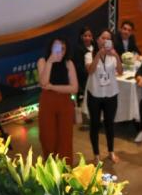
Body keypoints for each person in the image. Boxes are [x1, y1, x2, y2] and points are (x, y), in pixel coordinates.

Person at [37, 38, 78, 163]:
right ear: (50, 48)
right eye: (57, 48)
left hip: (65, 103)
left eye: (63, 48)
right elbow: (43, 82)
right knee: (47, 137)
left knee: (65, 138)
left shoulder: (69, 63)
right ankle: (50, 169)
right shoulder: (43, 61)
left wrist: (53, 87)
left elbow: (74, 88)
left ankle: (65, 170)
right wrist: (50, 62)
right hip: (47, 102)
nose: (60, 51)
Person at [86, 30, 121, 165]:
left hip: (111, 93)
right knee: (94, 124)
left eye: (108, 38)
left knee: (109, 124)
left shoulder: (113, 55)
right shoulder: (89, 54)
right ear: (98, 39)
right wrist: (98, 55)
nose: (105, 40)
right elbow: (90, 70)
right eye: (102, 38)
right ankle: (96, 155)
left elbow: (120, 71)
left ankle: (111, 152)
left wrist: (116, 55)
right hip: (95, 94)